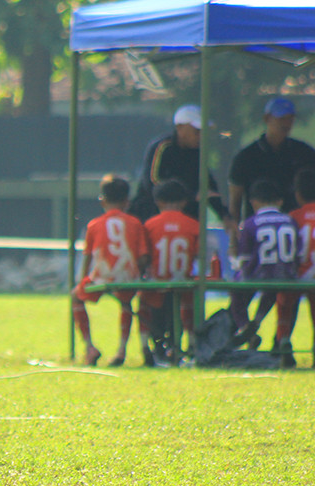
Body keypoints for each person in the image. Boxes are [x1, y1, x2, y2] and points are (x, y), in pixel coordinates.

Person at [72, 175, 150, 367]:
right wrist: (137, 274)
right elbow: (143, 257)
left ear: (102, 200)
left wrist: (82, 280)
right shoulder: (135, 223)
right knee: (126, 302)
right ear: (127, 201)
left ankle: (90, 347)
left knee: (76, 297)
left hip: (101, 278)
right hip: (128, 278)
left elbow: (88, 256)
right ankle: (122, 350)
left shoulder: (94, 225)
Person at [229, 179, 301, 368]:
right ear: (280, 201)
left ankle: (247, 328)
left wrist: (241, 271)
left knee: (236, 289)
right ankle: (258, 320)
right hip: (287, 275)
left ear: (253, 202)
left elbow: (244, 258)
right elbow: (298, 254)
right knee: (273, 290)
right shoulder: (290, 220)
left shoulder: (251, 223)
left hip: (259, 274)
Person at [228, 97, 315, 235]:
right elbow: (235, 202)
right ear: (267, 118)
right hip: (258, 233)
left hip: (296, 232)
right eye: (282, 118)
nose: (287, 123)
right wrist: (234, 239)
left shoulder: (304, 153)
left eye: (290, 119)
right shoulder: (246, 157)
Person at [129, 104, 230, 225]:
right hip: (154, 216)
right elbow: (152, 182)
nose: (201, 136)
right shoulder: (163, 147)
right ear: (179, 128)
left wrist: (224, 215)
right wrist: (190, 195)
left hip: (187, 218)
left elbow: (207, 186)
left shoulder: (198, 152)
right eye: (197, 131)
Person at [137, 179, 200, 366]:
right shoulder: (193, 225)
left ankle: (154, 349)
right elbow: (199, 254)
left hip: (156, 283)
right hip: (183, 283)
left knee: (150, 312)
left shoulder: (150, 224)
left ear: (158, 202)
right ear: (184, 202)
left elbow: (145, 256)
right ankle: (180, 347)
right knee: (181, 314)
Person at [290, 168, 315, 368]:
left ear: (297, 193)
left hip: (298, 275)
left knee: (285, 300)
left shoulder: (294, 216)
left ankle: (283, 343)